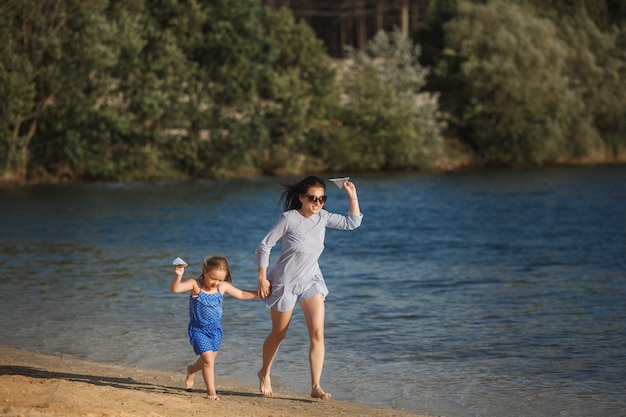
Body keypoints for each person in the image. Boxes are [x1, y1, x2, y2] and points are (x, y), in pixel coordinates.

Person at [255, 175, 362, 399]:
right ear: (301, 197)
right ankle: (264, 373)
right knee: (279, 334)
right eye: (313, 198)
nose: (317, 203)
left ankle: (315, 386)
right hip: (285, 284)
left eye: (322, 199)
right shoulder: (289, 219)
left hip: (312, 280)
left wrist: (352, 196)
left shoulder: (322, 217)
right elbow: (265, 246)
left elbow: (353, 223)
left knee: (317, 333)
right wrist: (262, 278)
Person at [170, 255, 257, 400]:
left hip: (216, 331)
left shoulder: (222, 287)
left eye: (220, 280)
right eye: (213, 278)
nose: (216, 283)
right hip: (198, 330)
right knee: (208, 360)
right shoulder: (195, 285)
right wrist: (178, 276)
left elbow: (241, 294)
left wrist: (260, 293)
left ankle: (191, 370)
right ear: (205, 271)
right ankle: (211, 392)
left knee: (207, 360)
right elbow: (175, 289)